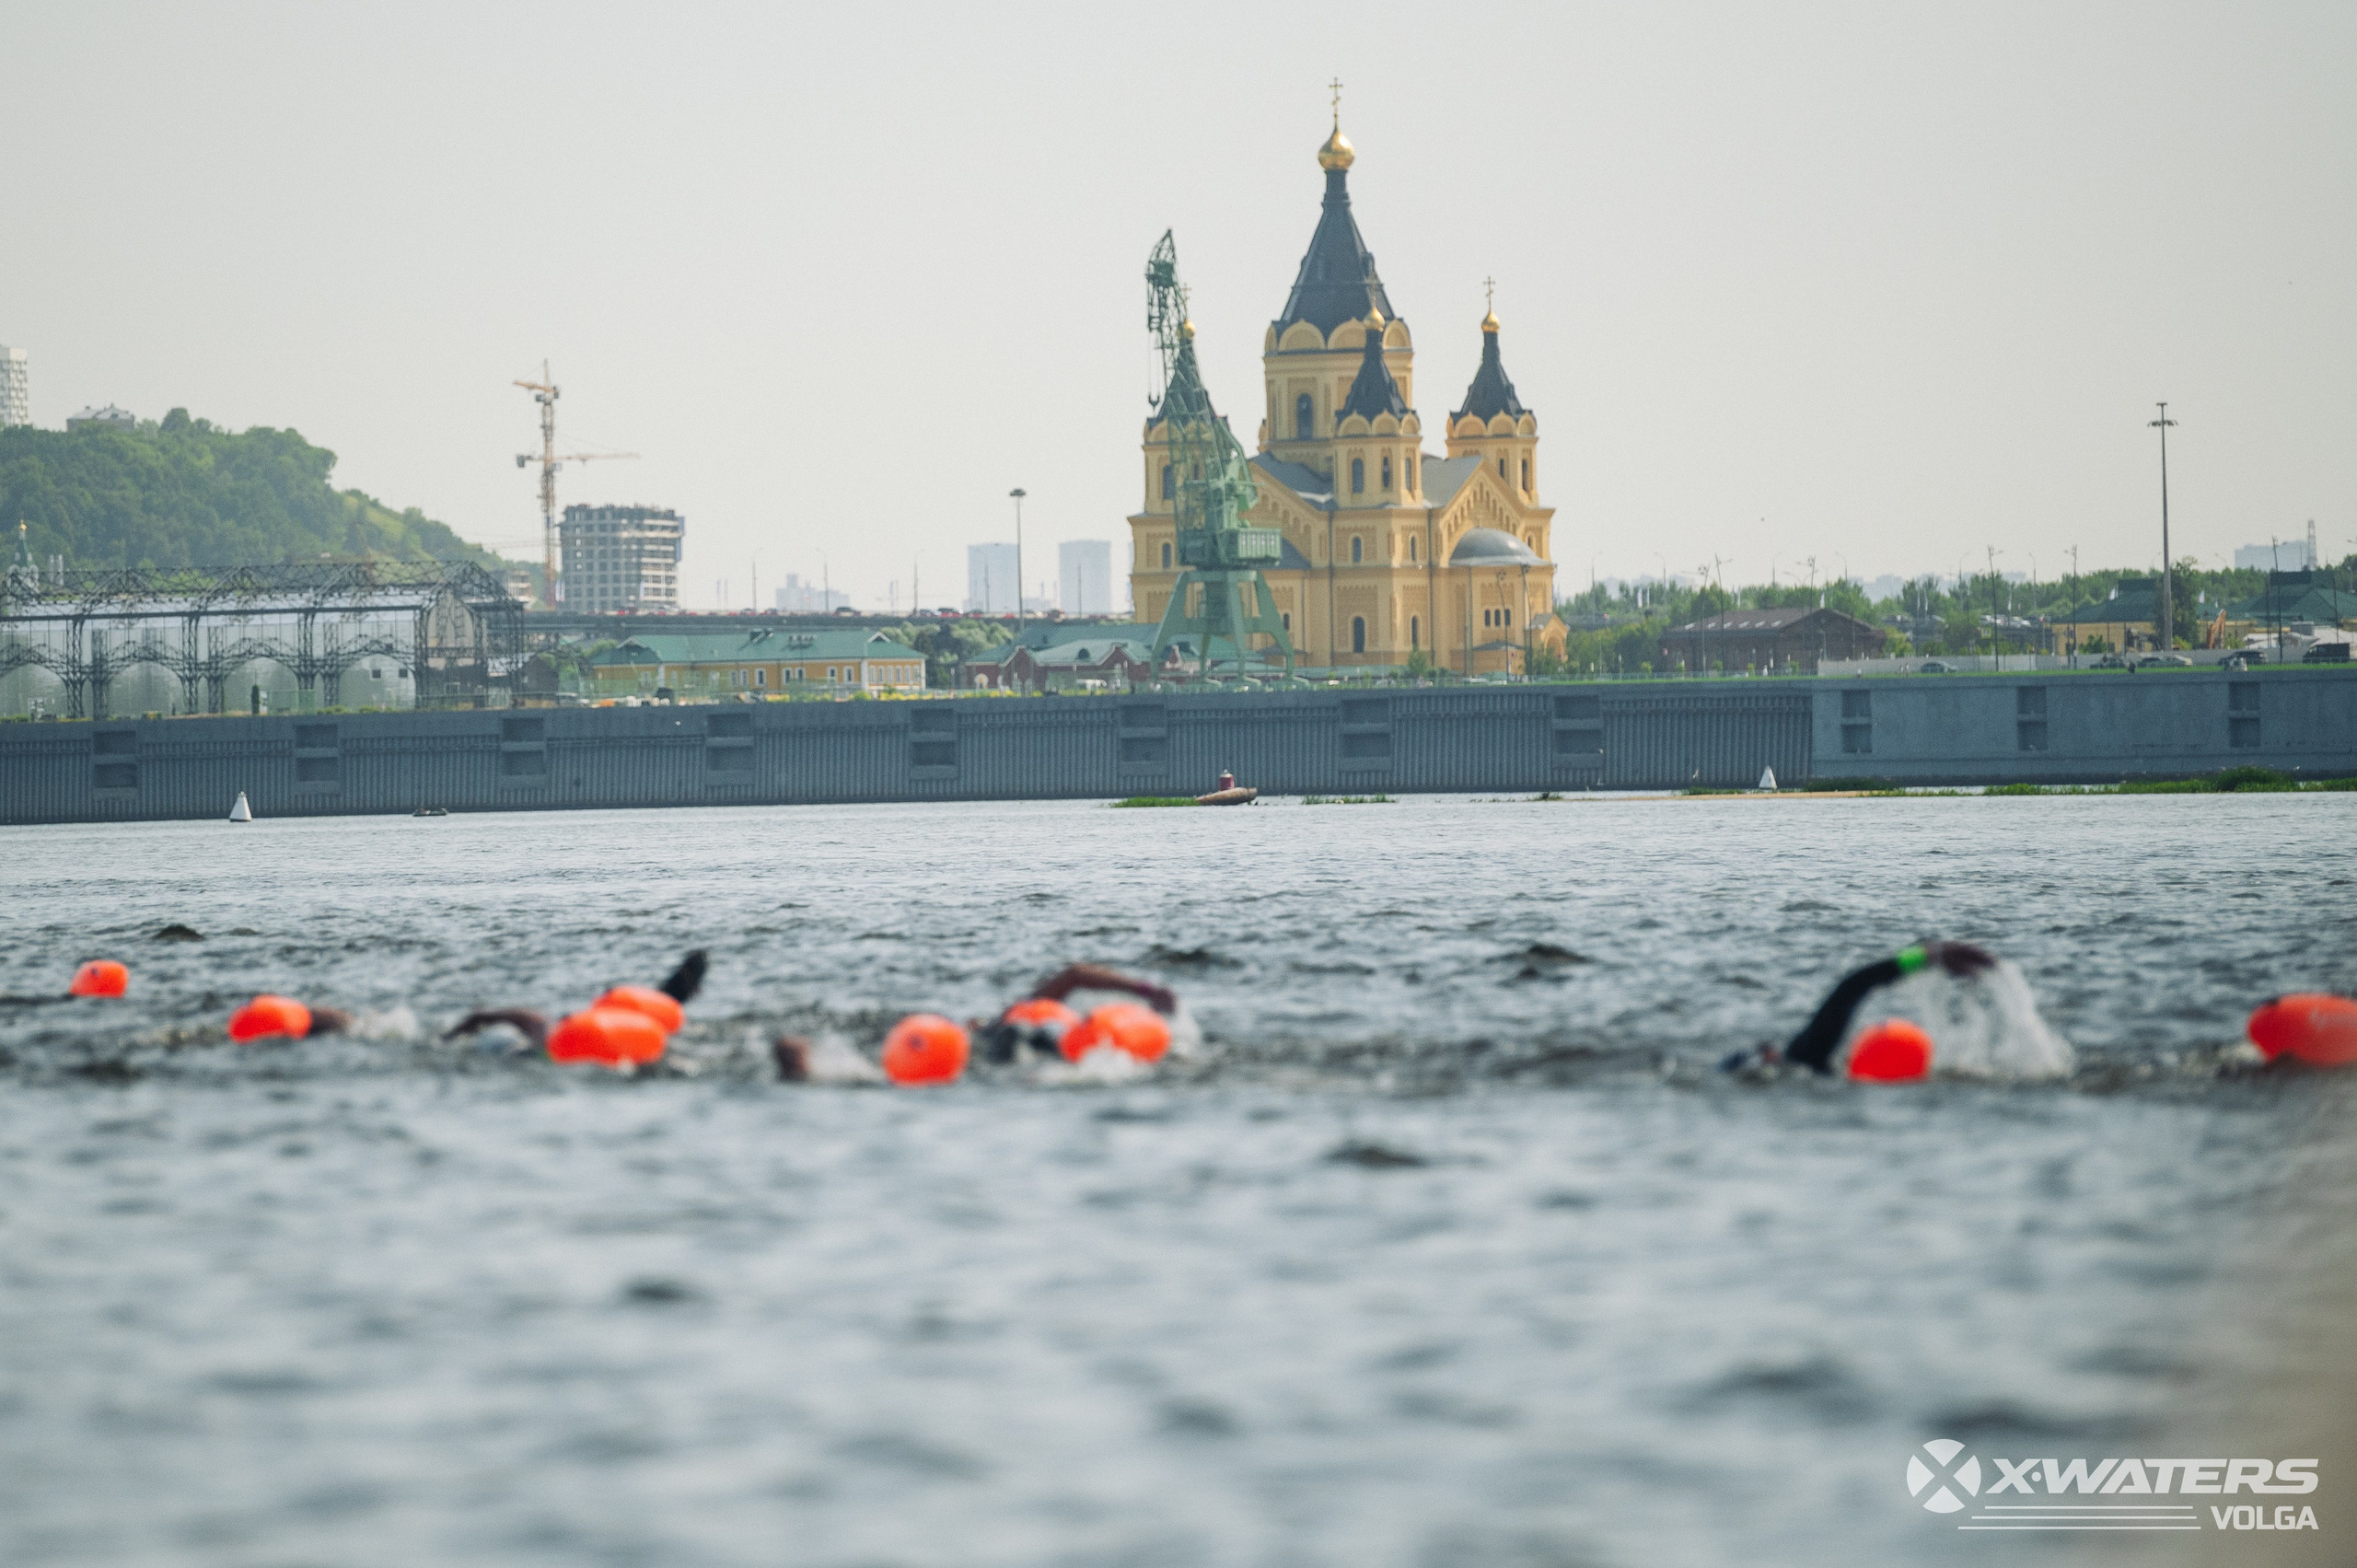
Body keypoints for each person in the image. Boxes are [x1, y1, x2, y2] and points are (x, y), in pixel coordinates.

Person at [1721, 940, 2001, 1074]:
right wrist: (1926, 956)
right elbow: (1852, 988)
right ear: (1770, 1056)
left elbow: (1851, 988)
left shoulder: (1803, 1061)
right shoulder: (1803, 1057)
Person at [445, 949, 707, 1051]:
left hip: (556, 1043)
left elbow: (520, 1019)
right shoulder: (665, 1035)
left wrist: (475, 1020)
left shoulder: (568, 1027)